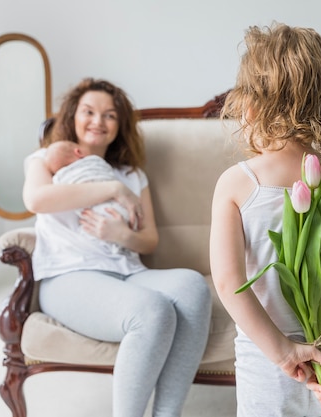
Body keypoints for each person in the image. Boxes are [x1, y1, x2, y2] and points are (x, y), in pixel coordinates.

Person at [209, 23, 321, 417]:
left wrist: (282, 352)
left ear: (250, 107)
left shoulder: (237, 184)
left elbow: (229, 283)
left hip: (267, 358)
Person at [23, 78, 212, 417]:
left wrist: (120, 233)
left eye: (109, 115)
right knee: (152, 311)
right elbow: (36, 199)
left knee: (192, 286)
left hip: (127, 273)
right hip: (70, 277)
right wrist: (112, 190)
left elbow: (149, 239)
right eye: (89, 112)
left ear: (119, 126)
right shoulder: (46, 159)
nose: (98, 121)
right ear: (72, 116)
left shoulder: (131, 174)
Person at [44, 140, 130, 254]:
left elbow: (149, 242)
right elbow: (35, 201)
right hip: (120, 212)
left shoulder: (60, 178)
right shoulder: (95, 161)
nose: (97, 122)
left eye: (110, 119)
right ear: (78, 152)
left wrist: (123, 235)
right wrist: (116, 188)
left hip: (98, 227)